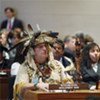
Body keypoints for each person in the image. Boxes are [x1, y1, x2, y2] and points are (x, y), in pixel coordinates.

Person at [14, 31, 73, 99]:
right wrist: (36, 85)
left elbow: (68, 82)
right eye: (40, 47)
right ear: (32, 51)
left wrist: (68, 85)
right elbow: (20, 87)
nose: (45, 49)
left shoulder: (57, 65)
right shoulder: (25, 67)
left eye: (45, 46)